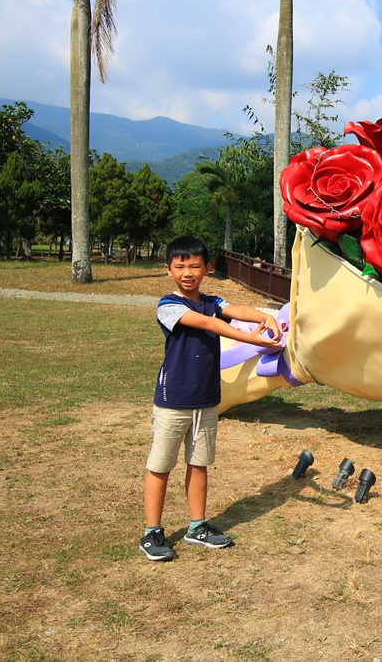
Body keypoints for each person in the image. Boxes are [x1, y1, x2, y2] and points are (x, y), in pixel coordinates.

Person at [139, 236, 282, 561]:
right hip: (173, 400)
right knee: (160, 466)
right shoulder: (168, 305)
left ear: (207, 268)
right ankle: (151, 532)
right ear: (169, 270)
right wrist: (250, 336)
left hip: (206, 401)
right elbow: (208, 324)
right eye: (180, 266)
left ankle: (197, 526)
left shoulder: (212, 301)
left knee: (199, 463)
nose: (188, 272)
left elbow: (234, 309)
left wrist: (265, 317)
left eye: (194, 265)